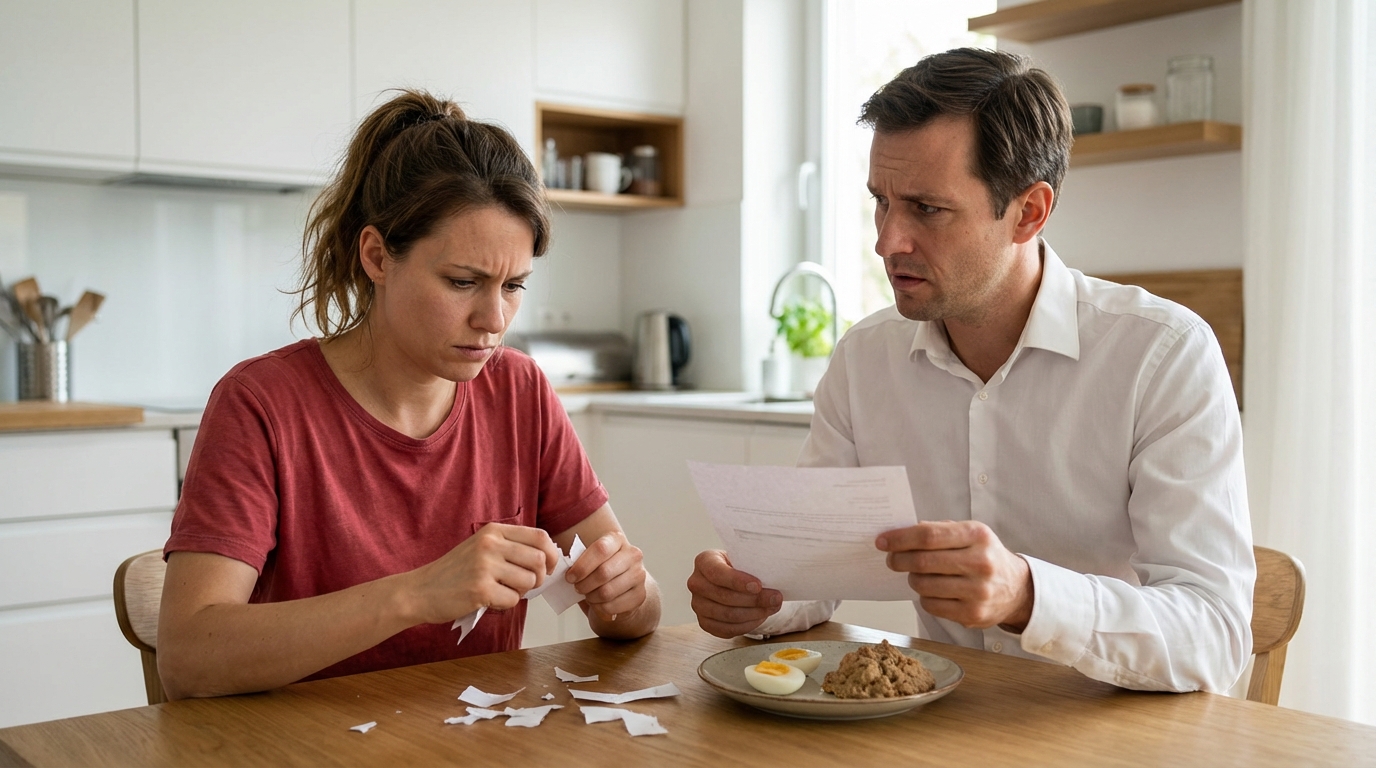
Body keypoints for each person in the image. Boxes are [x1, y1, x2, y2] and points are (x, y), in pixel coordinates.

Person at [687, 48, 1254, 693]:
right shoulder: (865, 359)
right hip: (940, 729)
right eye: (881, 202)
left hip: (1113, 736)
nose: (887, 241)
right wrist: (758, 595)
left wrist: (1029, 595)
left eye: (927, 209)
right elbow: (821, 570)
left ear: (1029, 213)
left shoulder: (1163, 355)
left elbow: (1215, 634)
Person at [158, 90, 661, 700]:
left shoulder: (520, 391)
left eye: (514, 286)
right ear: (377, 256)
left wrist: (624, 596)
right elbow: (187, 658)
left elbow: (636, 612)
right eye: (462, 282)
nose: (493, 318)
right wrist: (417, 593)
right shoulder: (261, 404)